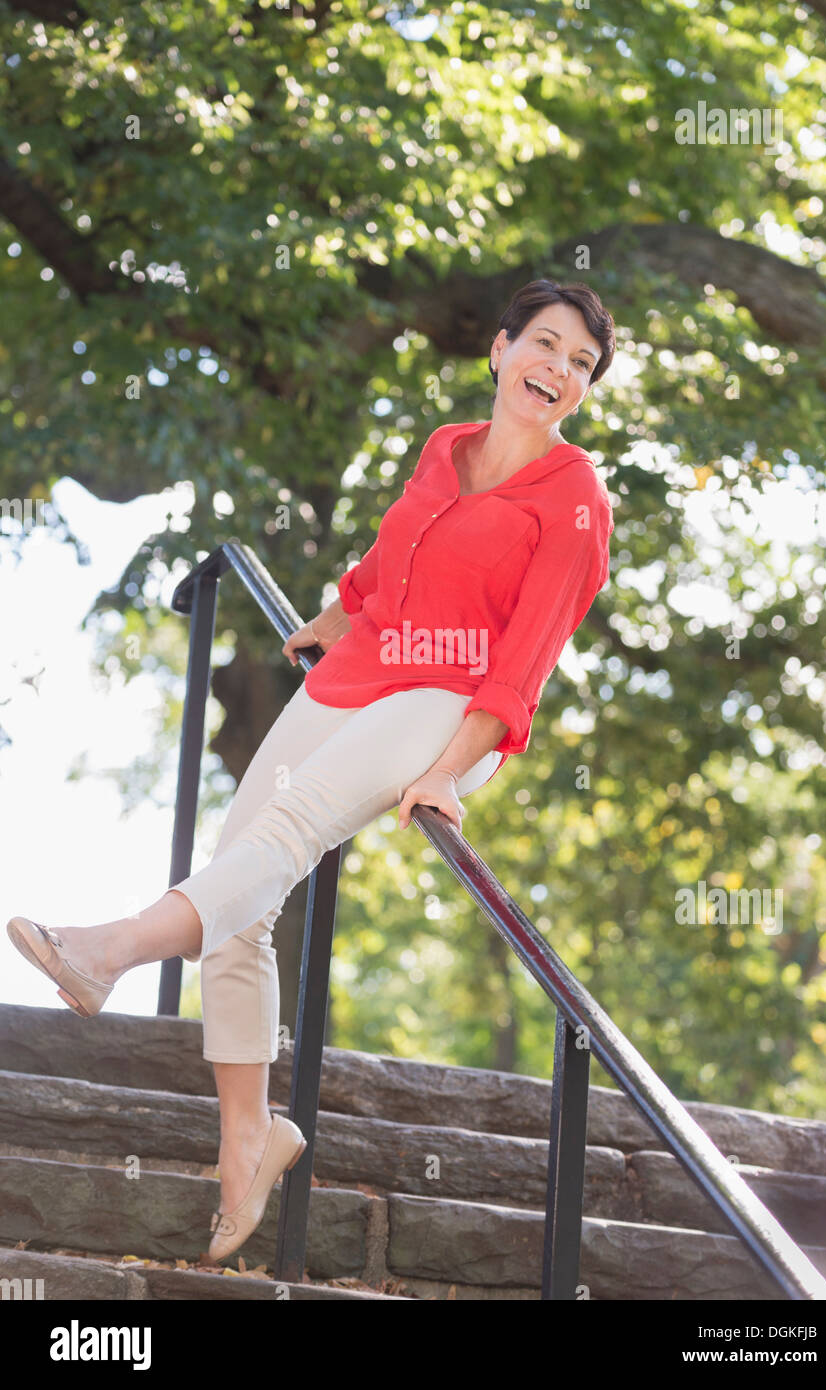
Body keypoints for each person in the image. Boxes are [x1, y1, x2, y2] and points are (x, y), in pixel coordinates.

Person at [6, 277, 617, 1264]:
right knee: (238, 880)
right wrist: (337, 614)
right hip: (365, 671)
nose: (558, 369)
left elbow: (525, 664)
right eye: (544, 344)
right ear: (501, 349)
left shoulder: (576, 500)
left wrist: (451, 771)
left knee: (284, 842)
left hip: (450, 708)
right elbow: (391, 560)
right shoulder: (444, 447)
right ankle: (251, 1135)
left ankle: (106, 948)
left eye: (580, 363)